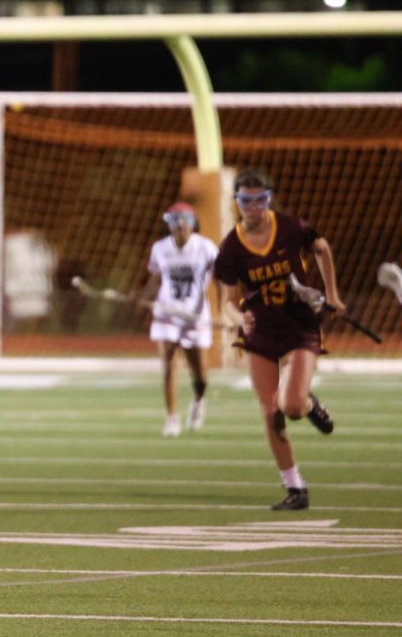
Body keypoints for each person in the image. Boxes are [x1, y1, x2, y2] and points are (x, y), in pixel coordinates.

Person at [213, 168, 345, 511]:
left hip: (298, 326)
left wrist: (331, 294)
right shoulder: (230, 248)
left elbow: (322, 247)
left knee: (290, 405)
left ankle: (309, 405)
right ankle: (296, 489)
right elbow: (227, 301)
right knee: (271, 410)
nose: (254, 207)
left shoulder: (289, 228)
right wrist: (239, 317)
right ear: (236, 202)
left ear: (268, 200)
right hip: (261, 334)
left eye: (261, 200)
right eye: (247, 200)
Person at [134, 202, 219, 437]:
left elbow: (221, 279)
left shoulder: (206, 248)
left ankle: (199, 399)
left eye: (185, 219)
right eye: (175, 219)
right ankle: (172, 417)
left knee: (200, 374)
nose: (180, 224)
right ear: (169, 224)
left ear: (193, 223)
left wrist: (223, 310)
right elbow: (156, 280)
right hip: (167, 313)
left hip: (195, 315)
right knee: (168, 365)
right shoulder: (160, 248)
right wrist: (142, 297)